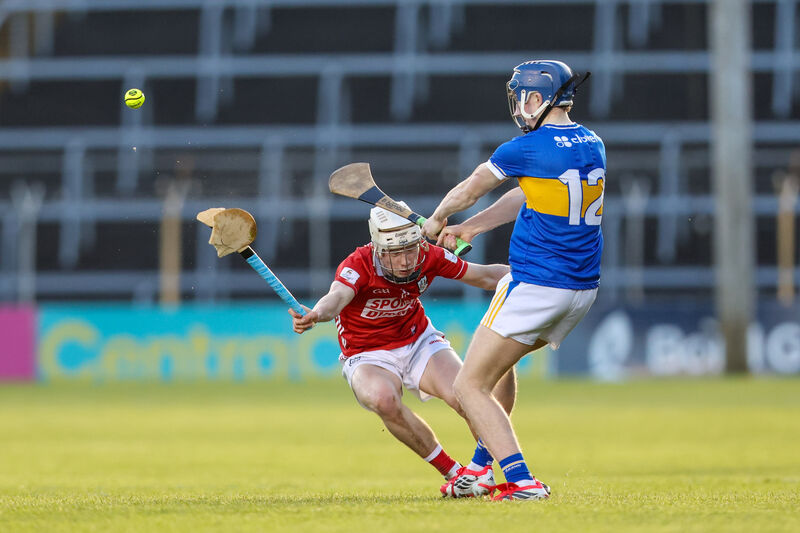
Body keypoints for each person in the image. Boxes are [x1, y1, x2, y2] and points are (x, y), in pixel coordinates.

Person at [421, 60, 604, 501]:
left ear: (537, 99)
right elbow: (528, 192)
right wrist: (472, 228)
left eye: (522, 96)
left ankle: (521, 480)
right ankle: (483, 469)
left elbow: (469, 188)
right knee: (498, 369)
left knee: (469, 385)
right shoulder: (591, 142)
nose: (518, 106)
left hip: (538, 284)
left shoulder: (524, 147)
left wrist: (438, 219)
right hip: (580, 289)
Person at [289, 203, 514, 496]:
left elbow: (484, 275)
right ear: (379, 250)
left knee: (466, 397)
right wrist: (317, 314)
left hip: (419, 340)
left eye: (410, 249)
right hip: (366, 354)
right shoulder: (358, 264)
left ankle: (493, 473)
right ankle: (454, 472)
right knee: (383, 400)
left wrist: (535, 278)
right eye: (395, 254)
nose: (406, 261)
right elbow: (336, 297)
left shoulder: (428, 256)